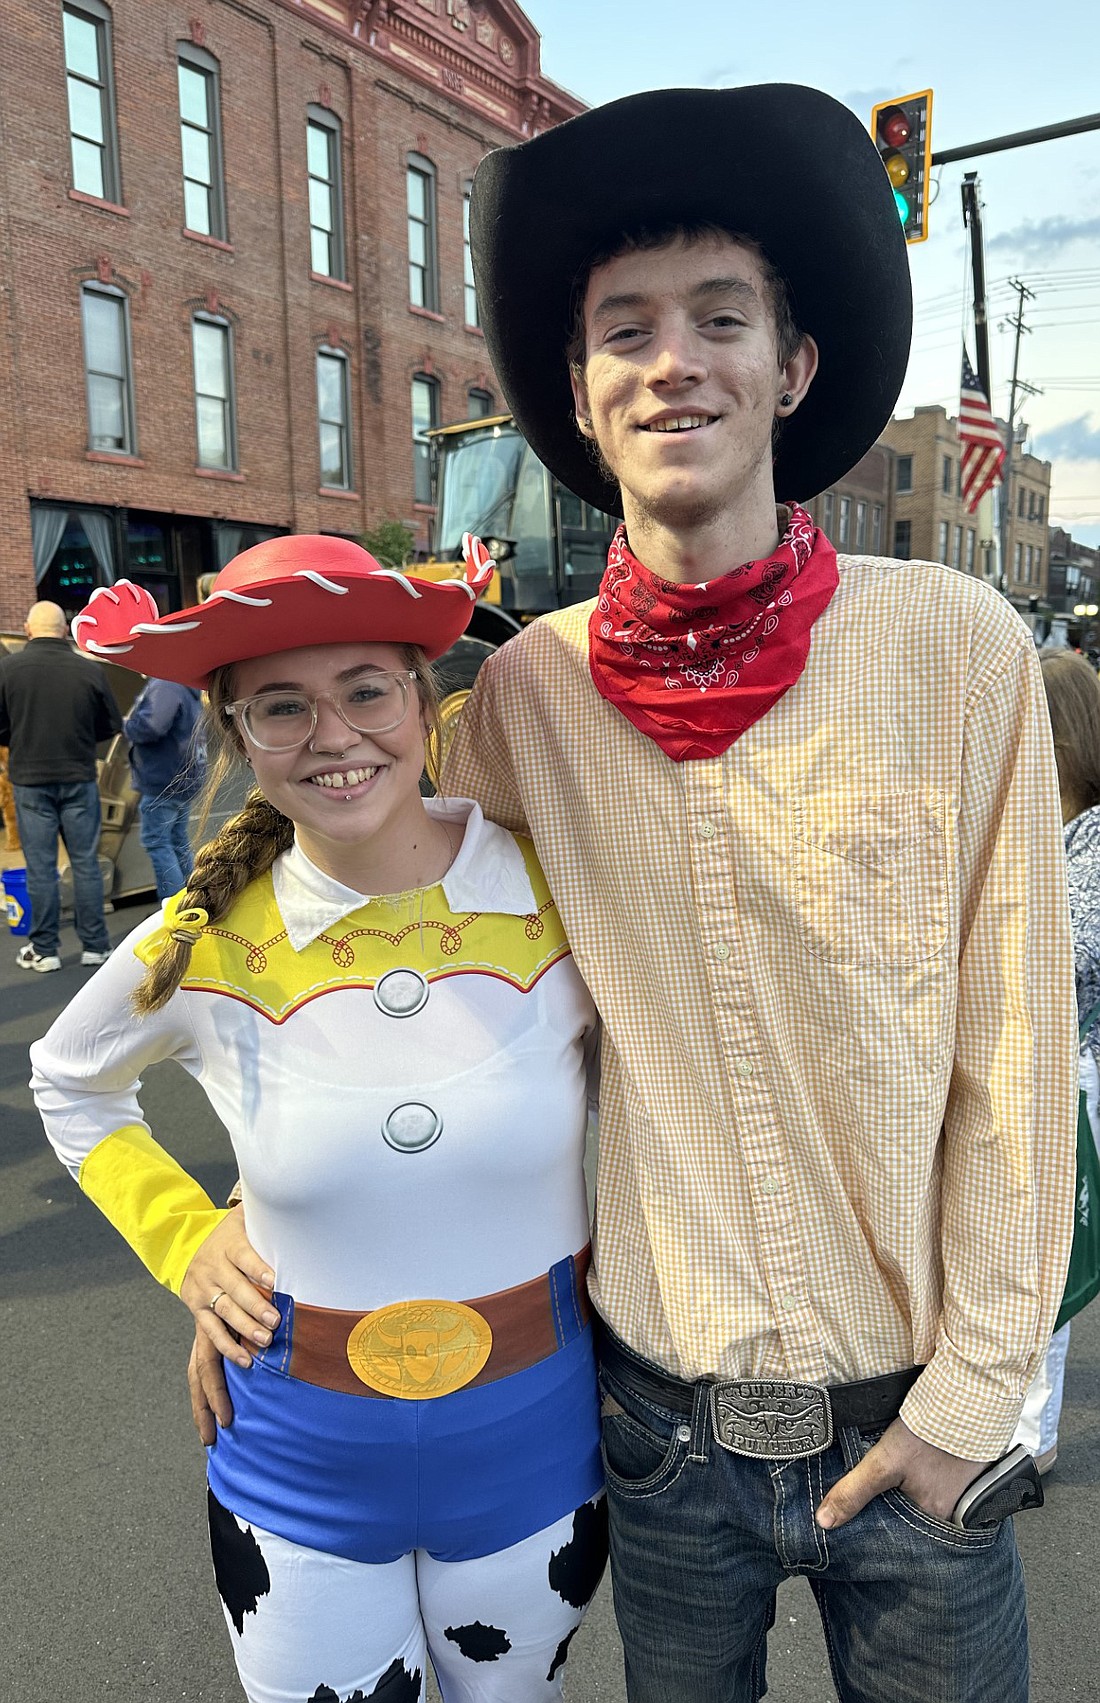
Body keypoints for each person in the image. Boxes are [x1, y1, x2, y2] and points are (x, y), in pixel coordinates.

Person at [189, 87, 1077, 1703]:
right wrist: (257, 1235)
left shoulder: (955, 650)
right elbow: (405, 966)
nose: (676, 357)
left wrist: (977, 1399)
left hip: (919, 1421)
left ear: (790, 369)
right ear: (585, 399)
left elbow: (1015, 1054)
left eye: (720, 316)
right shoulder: (527, 696)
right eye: (627, 329)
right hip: (656, 1437)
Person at [31, 536, 606, 1703]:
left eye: (364, 690)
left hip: (536, 1444)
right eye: (280, 708)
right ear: (236, 738)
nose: (334, 737)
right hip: (292, 1464)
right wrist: (187, 1241)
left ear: (424, 701)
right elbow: (69, 1077)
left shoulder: (563, 887)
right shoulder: (202, 936)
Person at [1012, 651, 1100, 1474]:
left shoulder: (1088, 849)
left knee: (1051, 1258)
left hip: (1071, 1071)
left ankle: (1031, 1444)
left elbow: (1060, 969)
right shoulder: (1058, 833)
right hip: (1060, 1066)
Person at [0, 598, 120, 971]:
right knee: (84, 863)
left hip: (30, 780)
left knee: (41, 867)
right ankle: (96, 946)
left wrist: (17, 737)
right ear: (65, 630)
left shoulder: (8, 669)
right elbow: (110, 724)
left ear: (29, 628)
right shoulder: (88, 670)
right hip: (79, 776)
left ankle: (46, 950)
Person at [123, 675, 206, 900]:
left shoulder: (166, 685)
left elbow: (150, 726)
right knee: (178, 841)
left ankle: (174, 908)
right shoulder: (185, 686)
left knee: (158, 843)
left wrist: (127, 725)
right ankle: (192, 901)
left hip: (164, 781)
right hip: (183, 778)